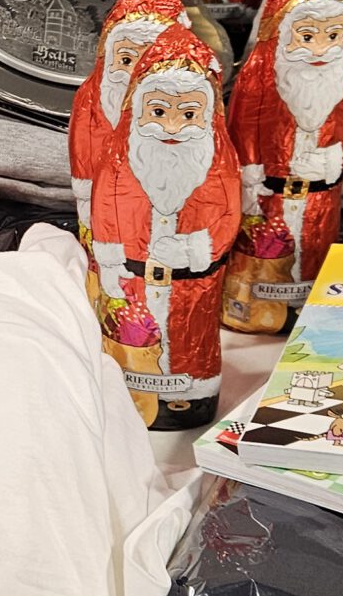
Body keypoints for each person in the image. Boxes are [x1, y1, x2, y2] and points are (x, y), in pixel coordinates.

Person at [89, 24, 241, 428]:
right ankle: (131, 396)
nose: (171, 127)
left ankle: (190, 399)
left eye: (188, 115)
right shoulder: (120, 162)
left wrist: (194, 249)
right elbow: (105, 213)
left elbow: (226, 218)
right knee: (130, 344)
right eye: (158, 112)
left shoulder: (217, 165)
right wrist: (110, 265)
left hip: (190, 286)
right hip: (133, 282)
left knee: (190, 344)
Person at [223, 0, 343, 330]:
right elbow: (243, 128)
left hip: (321, 195)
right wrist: (251, 177)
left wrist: (335, 159)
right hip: (267, 196)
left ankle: (307, 313)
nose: (320, 49)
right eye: (307, 36)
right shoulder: (260, 76)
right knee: (263, 257)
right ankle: (256, 314)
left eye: (332, 36)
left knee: (313, 251)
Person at [68, 0, 185, 252]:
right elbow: (83, 146)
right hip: (102, 201)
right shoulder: (93, 97)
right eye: (126, 60)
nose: (134, 73)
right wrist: (86, 194)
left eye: (148, 61)